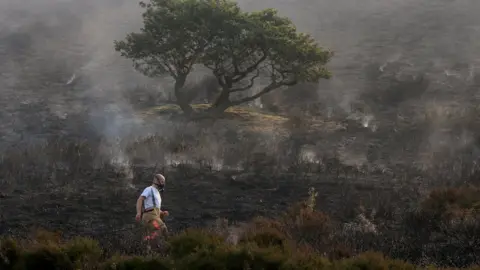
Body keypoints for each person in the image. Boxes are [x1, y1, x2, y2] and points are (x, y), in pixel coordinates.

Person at [135, 173, 169, 246]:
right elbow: (140, 199)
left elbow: (155, 207)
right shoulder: (149, 189)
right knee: (160, 228)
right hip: (150, 216)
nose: (163, 183)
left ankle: (147, 242)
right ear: (156, 180)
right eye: (162, 181)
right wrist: (138, 212)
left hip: (155, 216)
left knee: (161, 231)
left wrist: (162, 212)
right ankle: (151, 244)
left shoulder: (157, 193)